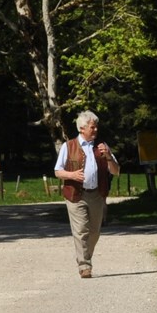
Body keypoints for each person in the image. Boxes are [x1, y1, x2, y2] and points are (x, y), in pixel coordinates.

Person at [54, 110, 121, 278]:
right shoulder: (68, 146)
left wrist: (108, 157)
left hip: (97, 194)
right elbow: (57, 171)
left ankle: (84, 256)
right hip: (76, 194)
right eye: (93, 127)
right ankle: (84, 265)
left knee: (94, 231)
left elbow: (116, 171)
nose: (96, 130)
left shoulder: (102, 147)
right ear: (82, 128)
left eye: (96, 127)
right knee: (81, 230)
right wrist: (72, 175)